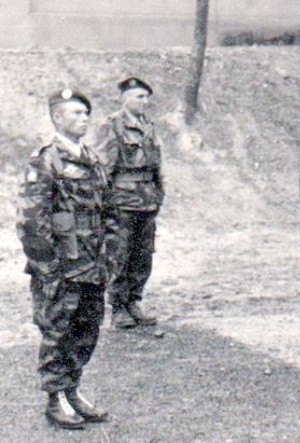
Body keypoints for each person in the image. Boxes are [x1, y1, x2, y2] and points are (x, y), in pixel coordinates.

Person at [16, 88, 111, 429]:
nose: (83, 118)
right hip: (60, 266)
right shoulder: (46, 159)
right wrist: (48, 268)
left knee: (87, 329)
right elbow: (31, 219)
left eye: (85, 113)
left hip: (91, 264)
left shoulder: (91, 158)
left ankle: (73, 390)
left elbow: (106, 212)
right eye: (74, 113)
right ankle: (55, 398)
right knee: (58, 330)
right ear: (57, 117)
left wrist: (108, 257)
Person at [95, 77, 164, 329]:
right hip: (122, 201)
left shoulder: (148, 125)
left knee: (143, 254)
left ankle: (134, 300)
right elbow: (103, 167)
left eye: (147, 97)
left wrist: (158, 195)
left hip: (146, 200)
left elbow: (156, 165)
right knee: (119, 254)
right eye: (139, 96)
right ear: (125, 99)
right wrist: (105, 202)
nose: (145, 102)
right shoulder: (112, 125)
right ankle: (118, 307)